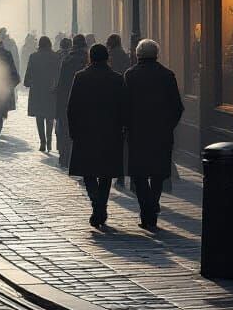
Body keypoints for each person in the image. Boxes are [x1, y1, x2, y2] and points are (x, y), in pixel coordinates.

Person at [124, 39, 184, 229]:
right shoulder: (167, 75)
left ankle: (146, 210)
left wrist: (126, 126)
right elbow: (177, 107)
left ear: (138, 54)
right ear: (156, 54)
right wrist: (168, 126)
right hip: (161, 133)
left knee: (139, 174)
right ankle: (153, 203)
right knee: (158, 173)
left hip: (137, 133)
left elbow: (124, 106)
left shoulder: (130, 75)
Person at [67, 43, 125, 229]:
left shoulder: (81, 77)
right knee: (106, 173)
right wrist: (122, 128)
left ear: (90, 57)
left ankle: (96, 204)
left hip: (85, 131)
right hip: (110, 132)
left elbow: (72, 107)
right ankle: (101, 205)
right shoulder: (117, 78)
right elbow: (123, 107)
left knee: (88, 171)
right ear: (107, 58)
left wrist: (73, 131)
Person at [24, 35, 62, 153]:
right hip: (50, 90)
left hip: (37, 90)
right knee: (50, 116)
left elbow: (29, 72)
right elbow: (58, 73)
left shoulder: (33, 56)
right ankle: (49, 141)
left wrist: (27, 82)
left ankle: (42, 141)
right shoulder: (55, 56)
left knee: (39, 116)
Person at [54, 34, 86, 168]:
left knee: (65, 130)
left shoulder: (67, 60)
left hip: (67, 100)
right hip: (84, 101)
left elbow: (61, 84)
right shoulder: (87, 60)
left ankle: (64, 157)